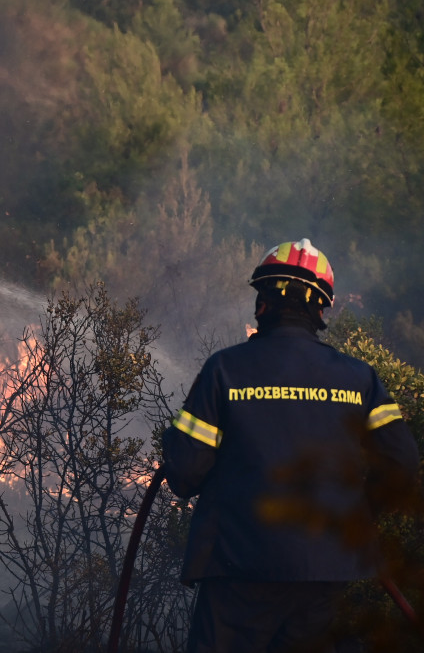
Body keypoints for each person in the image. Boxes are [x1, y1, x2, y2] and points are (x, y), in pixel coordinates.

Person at [162, 238, 420, 652]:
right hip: (327, 573)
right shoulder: (360, 378)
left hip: (237, 570)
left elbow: (185, 473)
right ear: (320, 309)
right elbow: (403, 465)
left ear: (263, 302)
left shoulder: (224, 370)